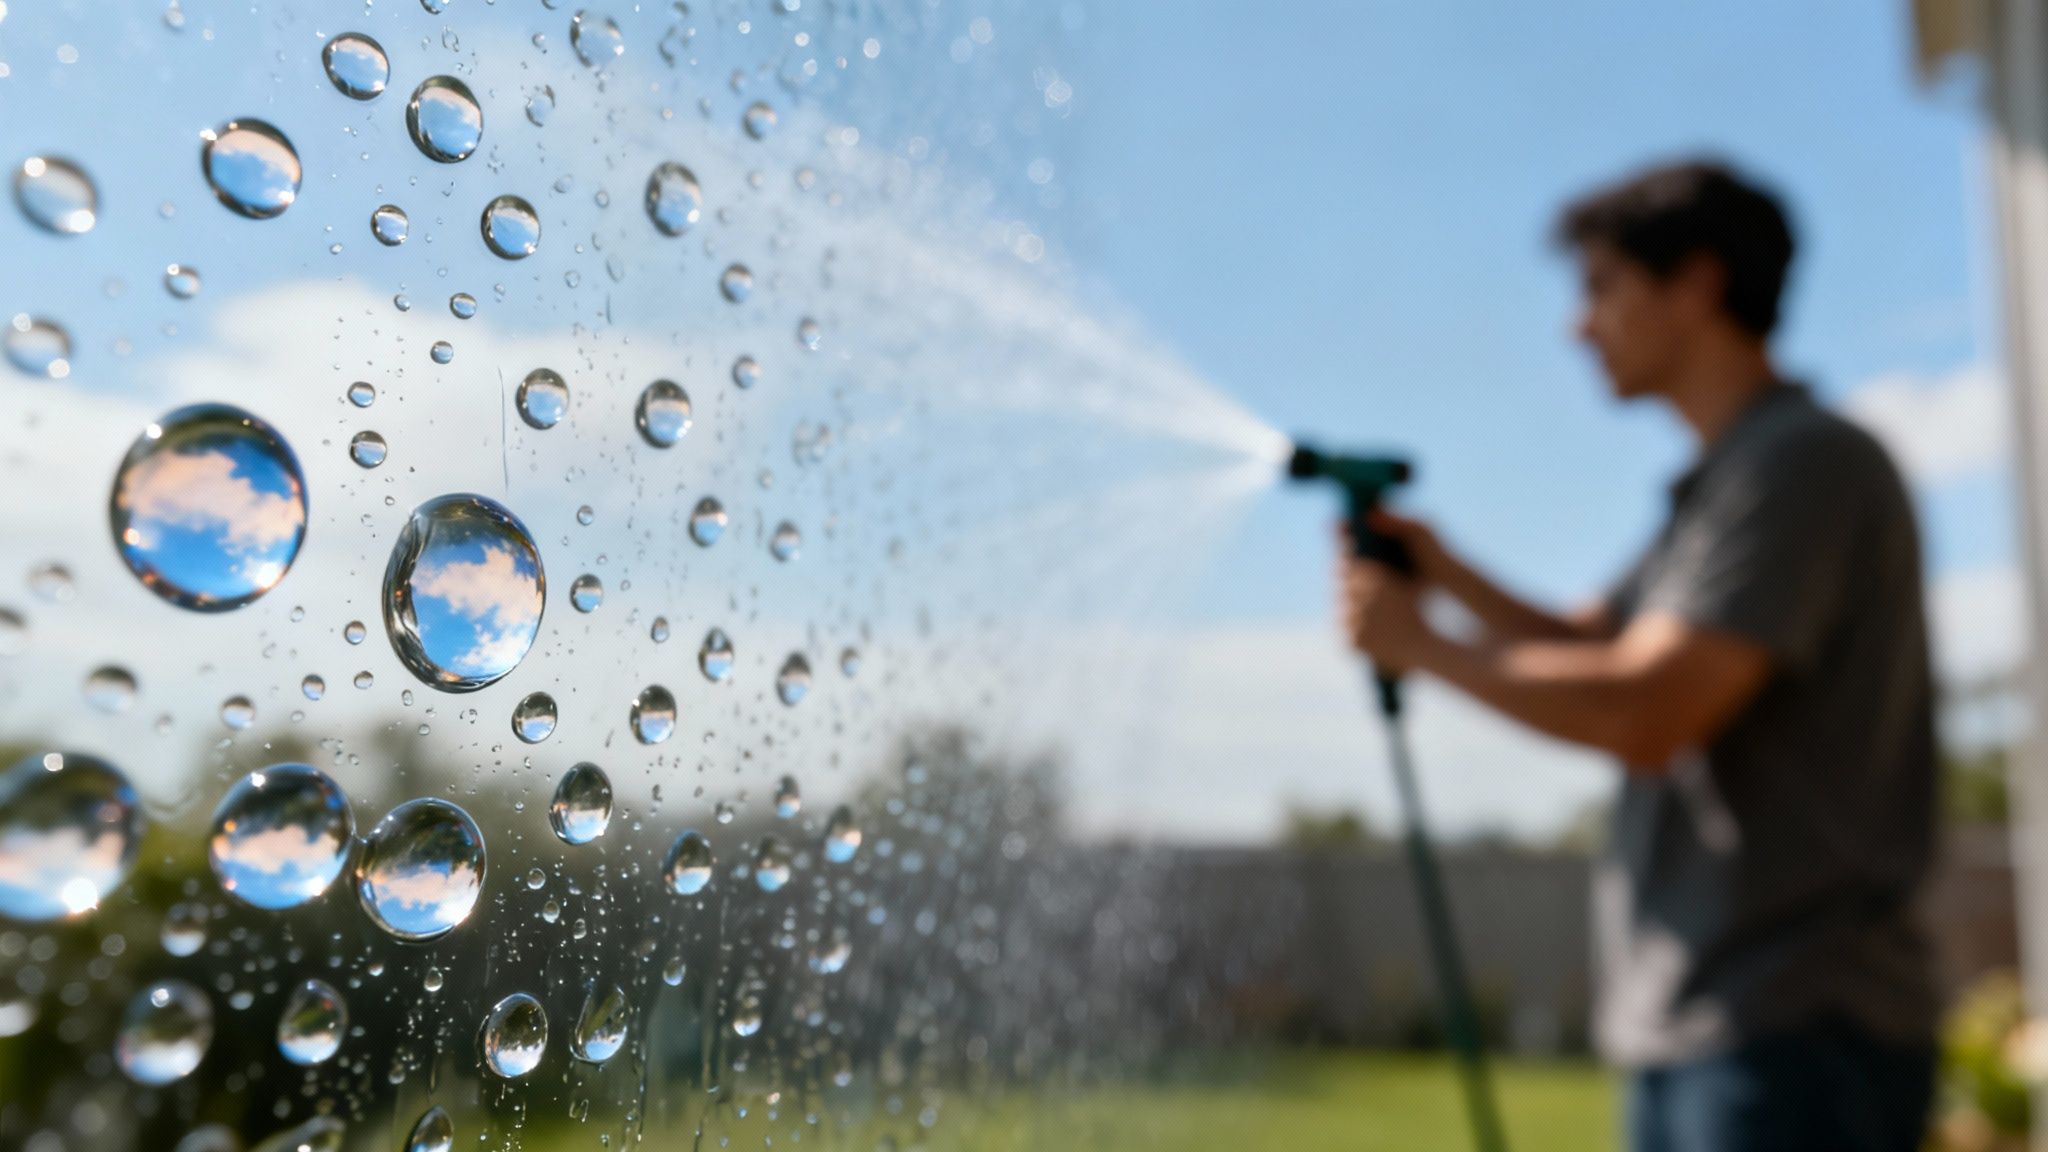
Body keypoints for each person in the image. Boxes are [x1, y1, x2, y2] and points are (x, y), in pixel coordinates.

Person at [1339, 160, 1939, 1152]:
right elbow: (1595, 647)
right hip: (1711, 1022)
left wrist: (1422, 648)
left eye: (1599, 288)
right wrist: (1443, 573)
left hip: (1794, 1029)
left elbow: (1646, 708)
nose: (1578, 326)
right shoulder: (1721, 488)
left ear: (1697, 284)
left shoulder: (1801, 464)